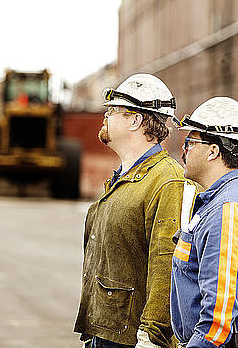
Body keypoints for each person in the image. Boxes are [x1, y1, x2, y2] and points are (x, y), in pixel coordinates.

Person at [75, 73, 192, 348]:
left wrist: (151, 337)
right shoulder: (124, 177)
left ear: (135, 120)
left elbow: (167, 264)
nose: (106, 116)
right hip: (104, 332)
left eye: (113, 110)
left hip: (131, 340)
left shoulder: (167, 181)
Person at [170, 97, 238, 348]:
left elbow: (217, 320)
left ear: (213, 151)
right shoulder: (236, 195)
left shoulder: (228, 210)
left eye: (191, 141)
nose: (185, 149)